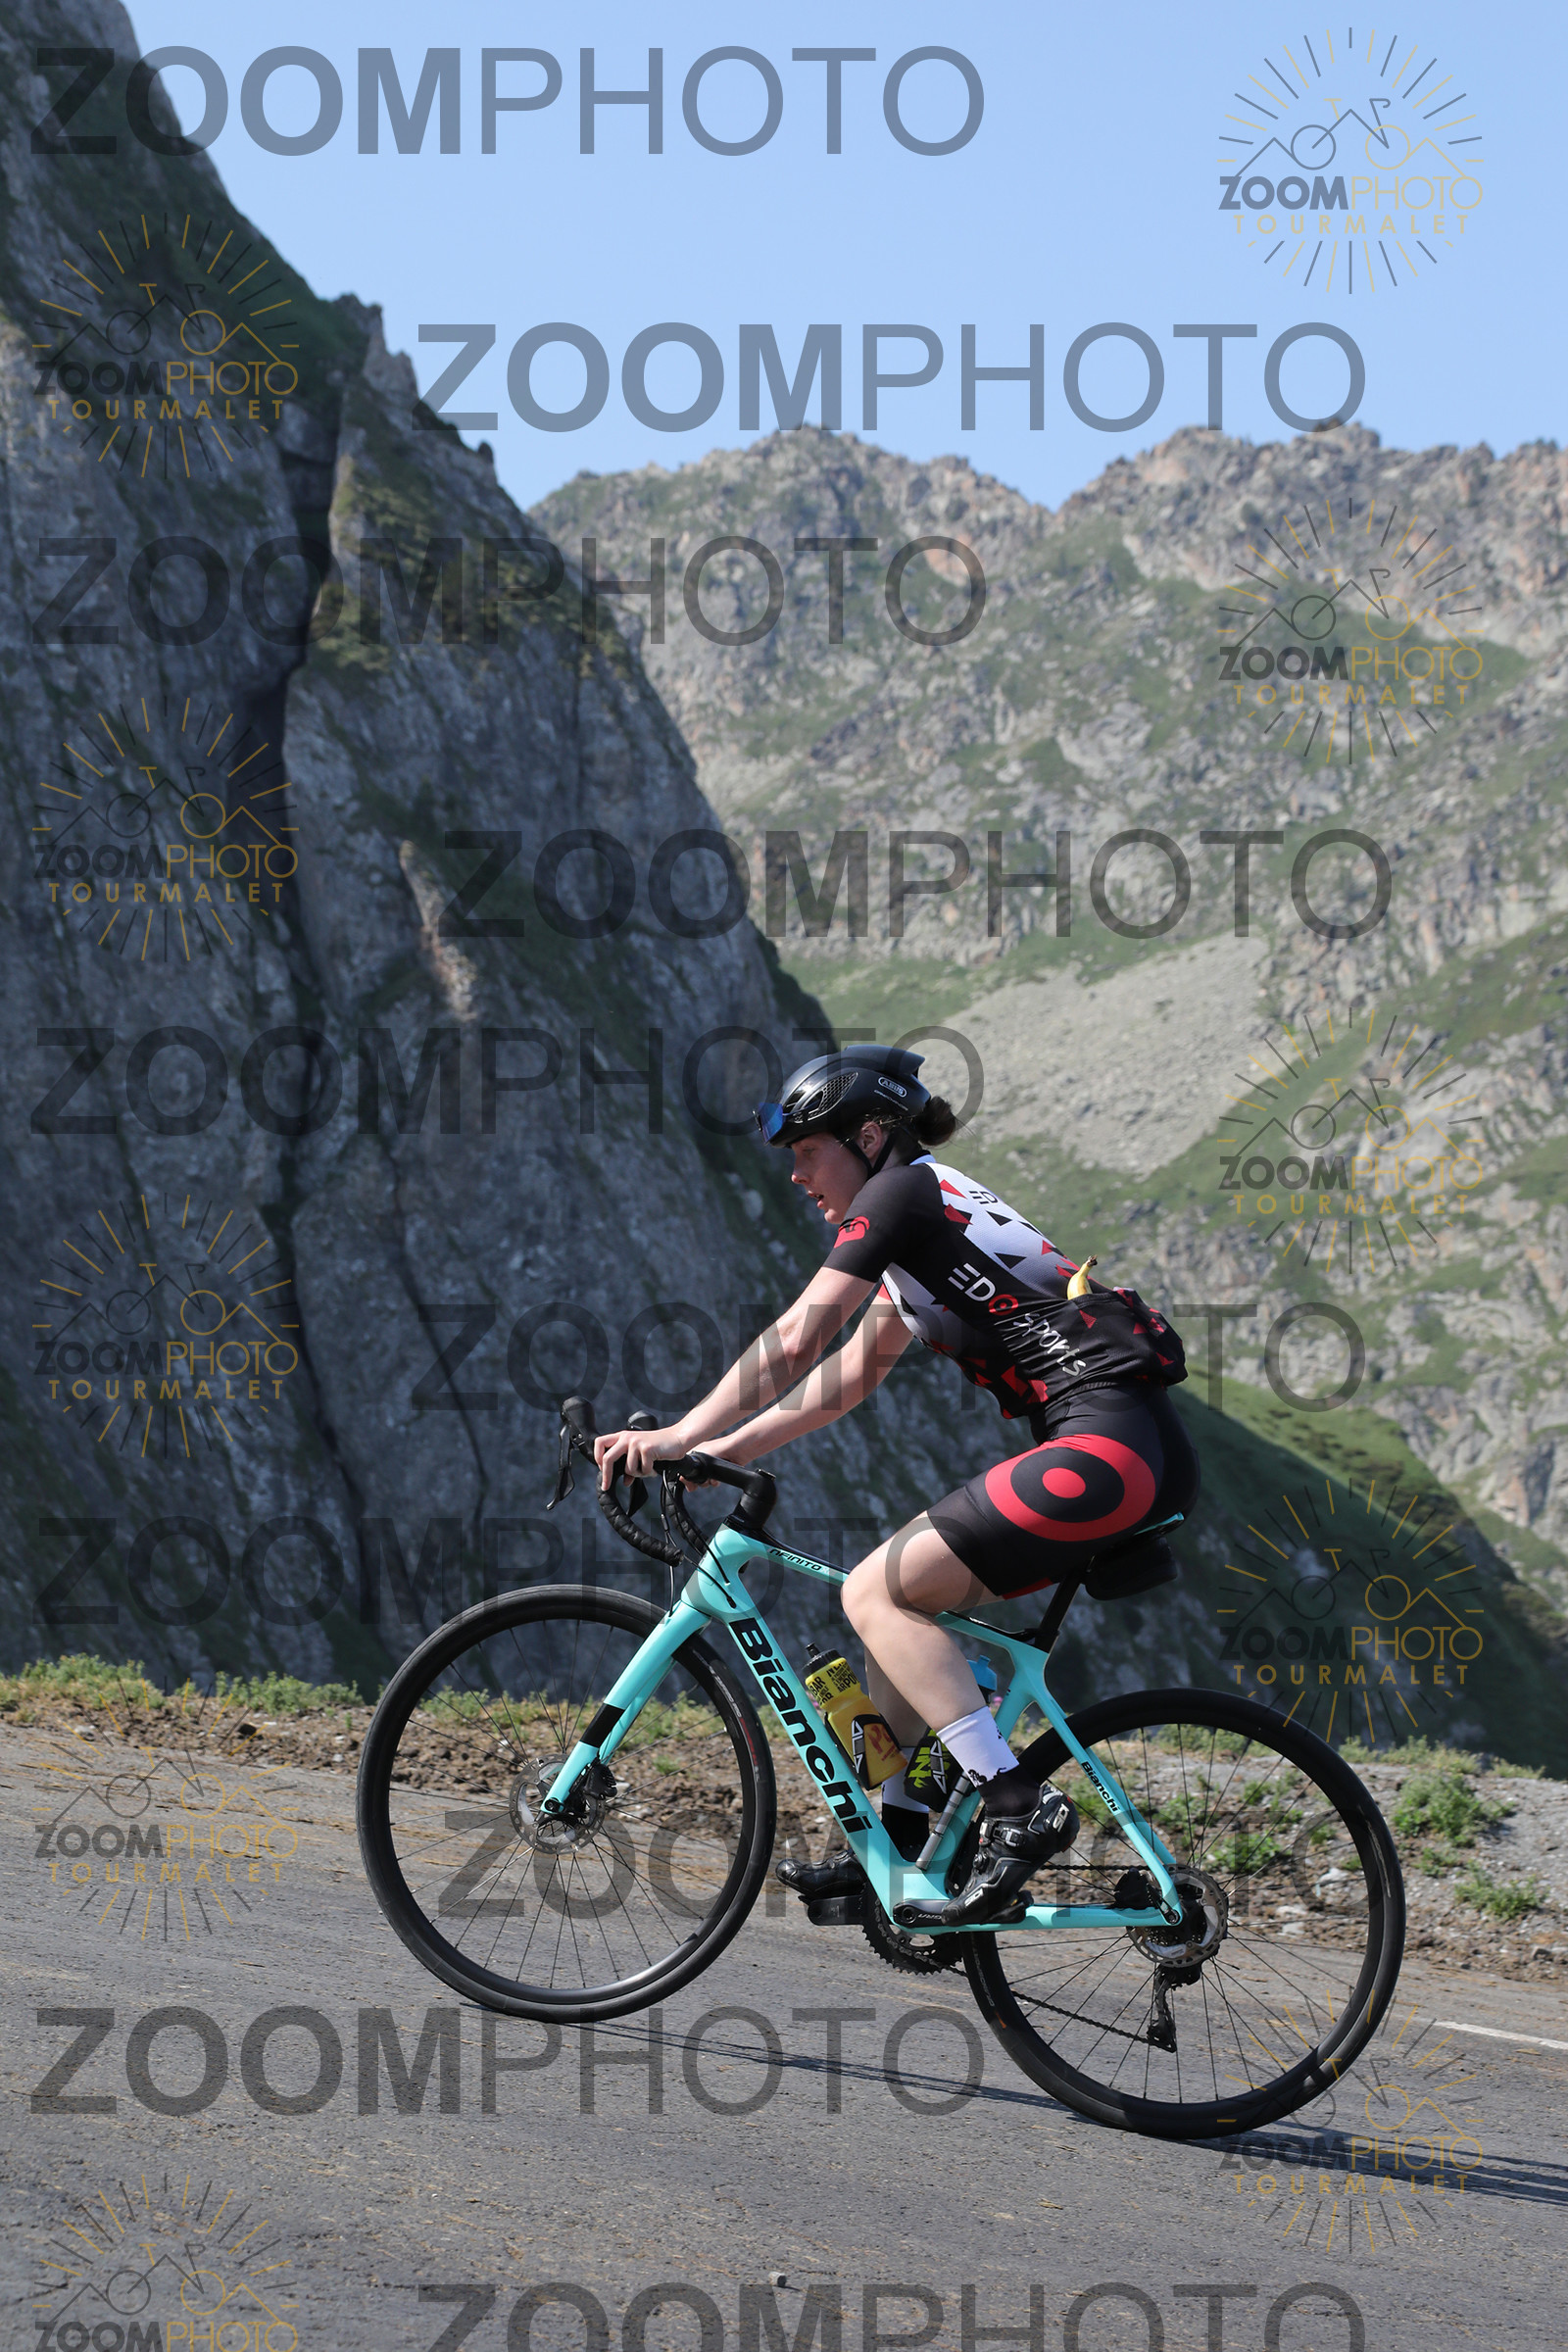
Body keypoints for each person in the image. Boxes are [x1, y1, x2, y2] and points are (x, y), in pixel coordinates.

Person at [595, 1044, 1200, 1926]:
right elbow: (846, 1377)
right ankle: (901, 1836)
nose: (798, 1175)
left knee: (875, 1593)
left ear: (871, 1137)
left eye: (809, 1151)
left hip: (1108, 1449)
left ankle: (1015, 1803)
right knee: (894, 1604)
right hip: (1122, 1451)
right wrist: (719, 1448)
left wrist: (680, 1433)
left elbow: (800, 1338)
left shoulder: (902, 1196)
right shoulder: (925, 1218)